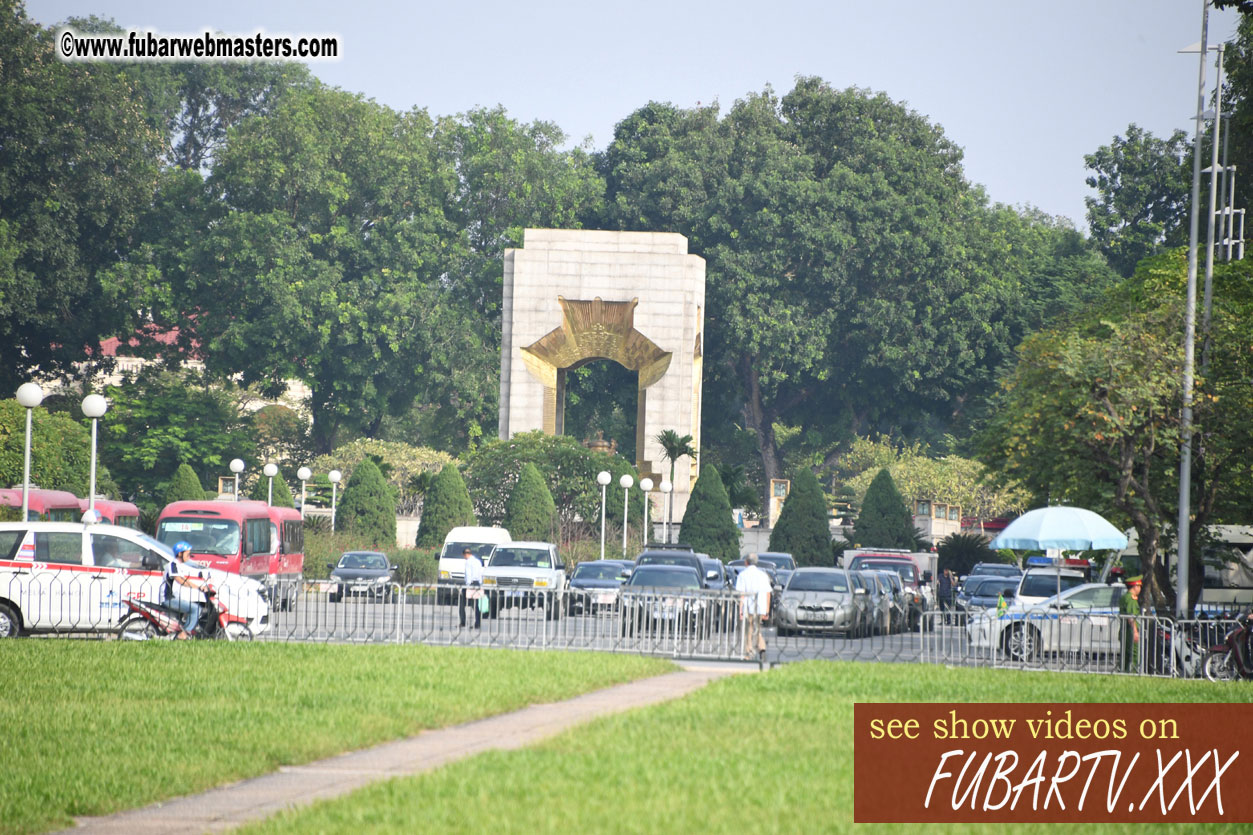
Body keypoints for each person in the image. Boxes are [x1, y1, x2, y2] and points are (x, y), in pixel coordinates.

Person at [164, 541, 211, 639]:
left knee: (194, 604)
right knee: (196, 609)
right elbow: (180, 580)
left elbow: (186, 580)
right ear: (180, 553)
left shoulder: (179, 566)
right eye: (188, 553)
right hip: (168, 599)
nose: (190, 555)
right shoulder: (172, 565)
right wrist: (197, 588)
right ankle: (184, 634)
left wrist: (200, 587)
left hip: (175, 597)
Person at [735, 552, 772, 660]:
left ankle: (749, 652)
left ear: (746, 562)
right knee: (756, 629)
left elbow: (741, 594)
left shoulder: (743, 575)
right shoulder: (763, 575)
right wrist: (767, 610)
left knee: (749, 630)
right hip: (760, 606)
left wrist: (740, 610)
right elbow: (768, 594)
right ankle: (762, 648)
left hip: (748, 606)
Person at [1119, 576, 1142, 673]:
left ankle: (1123, 673)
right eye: (1139, 586)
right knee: (1134, 654)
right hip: (1130, 631)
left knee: (1126, 655)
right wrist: (1135, 632)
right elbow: (1131, 617)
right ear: (1135, 586)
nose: (1140, 589)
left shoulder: (1125, 597)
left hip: (1125, 631)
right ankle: (1133, 674)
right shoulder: (1131, 599)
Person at [459, 547, 484, 629]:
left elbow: (468, 575)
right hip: (477, 584)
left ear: (465, 554)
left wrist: (467, 586)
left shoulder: (468, 562)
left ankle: (463, 622)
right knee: (476, 605)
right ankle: (478, 623)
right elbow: (481, 574)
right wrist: (480, 584)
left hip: (470, 584)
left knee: (462, 603)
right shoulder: (478, 561)